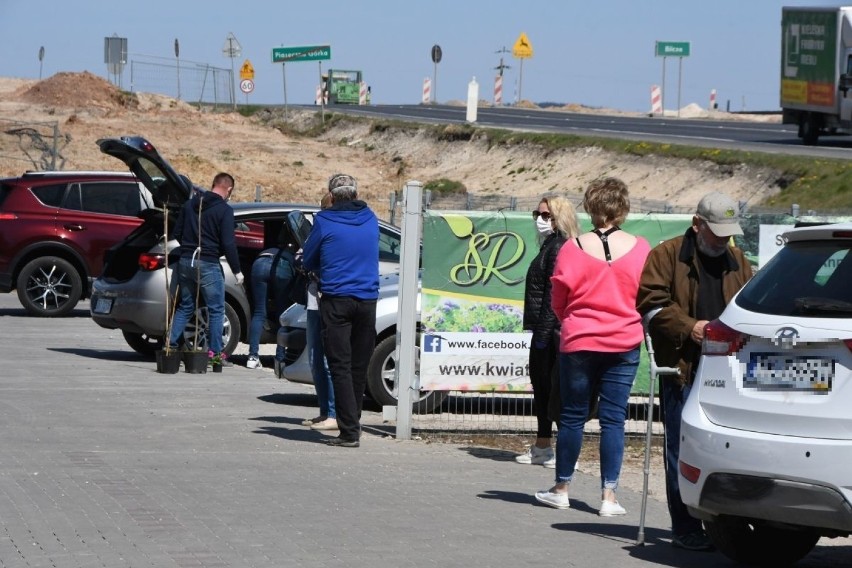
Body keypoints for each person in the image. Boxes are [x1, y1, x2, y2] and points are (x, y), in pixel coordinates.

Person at [636, 191, 752, 551]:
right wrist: (691, 328)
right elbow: (650, 306)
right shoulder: (667, 256)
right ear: (697, 224)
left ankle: (729, 528)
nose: (723, 240)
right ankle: (685, 527)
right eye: (716, 231)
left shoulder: (738, 260)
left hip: (731, 374)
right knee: (681, 452)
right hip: (684, 369)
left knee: (733, 453)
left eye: (728, 232)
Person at [535, 177, 650, 516]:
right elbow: (646, 296)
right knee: (614, 420)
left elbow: (559, 298)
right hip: (624, 340)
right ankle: (609, 497)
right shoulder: (641, 248)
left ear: (590, 206)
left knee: (572, 416)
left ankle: (562, 488)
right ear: (623, 207)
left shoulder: (573, 248)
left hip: (580, 339)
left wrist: (573, 319)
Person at [302, 173, 379, 448]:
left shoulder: (324, 220)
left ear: (331, 197)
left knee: (340, 366)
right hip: (368, 299)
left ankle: (349, 432)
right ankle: (353, 422)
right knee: (358, 365)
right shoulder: (371, 218)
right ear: (356, 195)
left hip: (336, 299)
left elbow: (309, 256)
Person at [516, 196, 580, 468]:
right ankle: (542, 446)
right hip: (545, 331)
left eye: (546, 215)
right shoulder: (550, 246)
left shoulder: (560, 247)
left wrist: (542, 338)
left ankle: (567, 453)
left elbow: (552, 298)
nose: (539, 220)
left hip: (553, 333)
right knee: (543, 391)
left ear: (559, 218)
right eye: (537, 214)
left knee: (557, 391)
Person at [168, 172, 243, 363]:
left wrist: (189, 248)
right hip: (208, 262)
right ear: (229, 189)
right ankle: (215, 354)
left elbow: (176, 232)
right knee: (216, 309)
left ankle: (171, 345)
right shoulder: (224, 210)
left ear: (213, 184)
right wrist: (237, 270)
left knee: (185, 305)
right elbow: (228, 243)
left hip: (186, 261)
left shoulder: (190, 205)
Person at [301, 192, 338, 431]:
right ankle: (325, 411)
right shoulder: (321, 229)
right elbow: (304, 258)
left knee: (326, 361)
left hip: (329, 299)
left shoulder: (333, 230)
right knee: (315, 359)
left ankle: (333, 413)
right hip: (315, 299)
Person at [245, 226, 297, 370]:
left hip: (260, 262)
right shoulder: (290, 254)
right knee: (283, 313)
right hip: (282, 265)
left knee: (259, 312)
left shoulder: (268, 249)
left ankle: (252, 356)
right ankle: (280, 358)